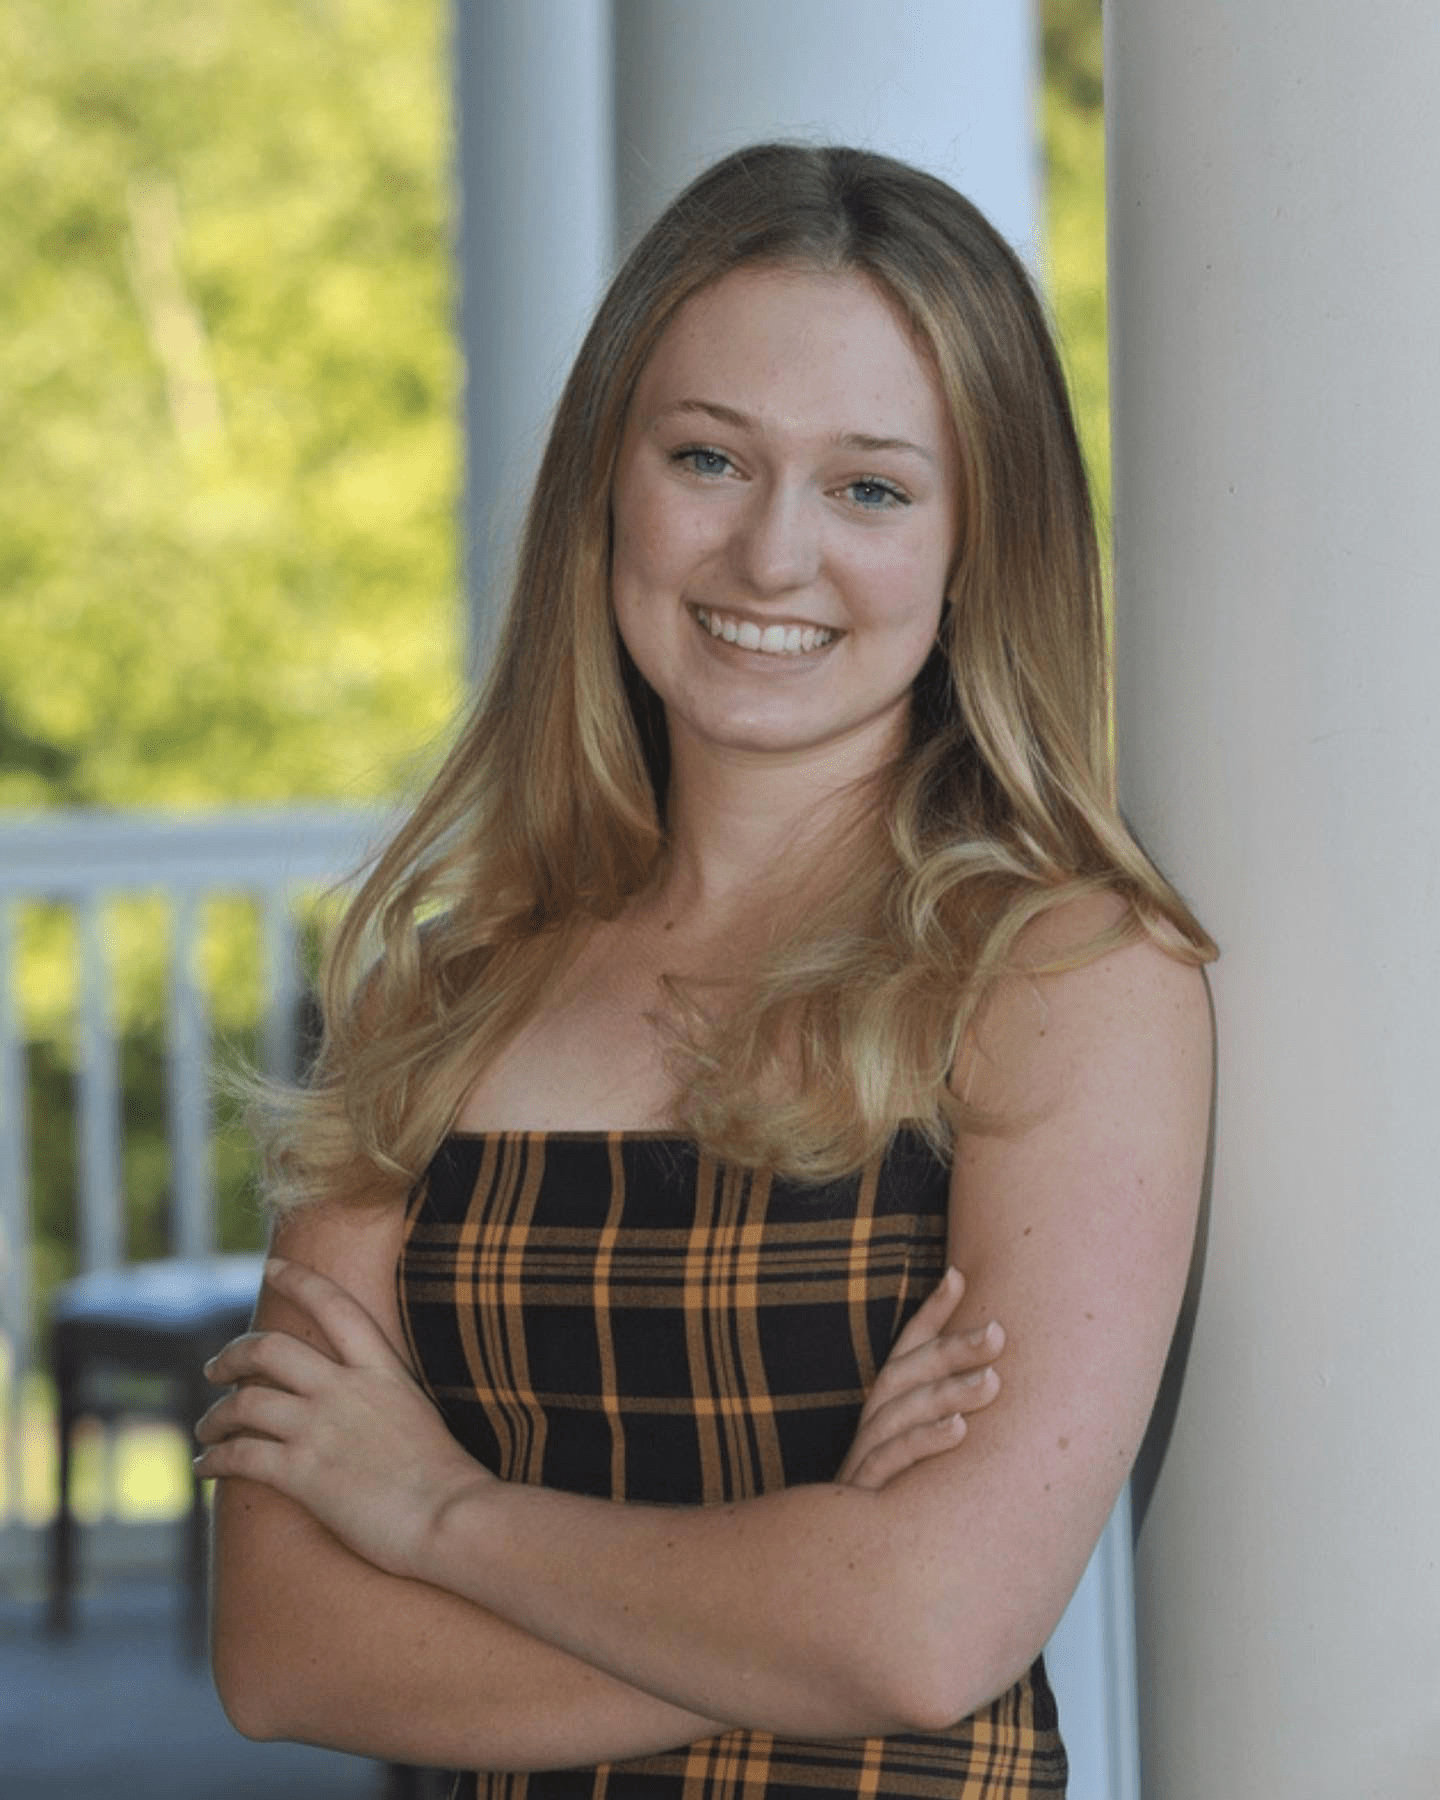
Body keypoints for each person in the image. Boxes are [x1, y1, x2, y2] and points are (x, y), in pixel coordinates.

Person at [195, 142, 1215, 1798]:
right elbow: (287, 1649)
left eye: (871, 487)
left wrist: (436, 1514)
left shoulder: (1064, 972)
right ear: (609, 480)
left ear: (976, 544)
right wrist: (800, 1592)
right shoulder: (428, 995)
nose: (768, 558)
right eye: (707, 459)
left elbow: (932, 1630)